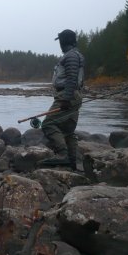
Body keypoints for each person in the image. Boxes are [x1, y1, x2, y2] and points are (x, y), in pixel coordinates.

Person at [40, 29, 85, 170]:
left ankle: (62, 155)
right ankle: (72, 163)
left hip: (67, 95)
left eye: (60, 41)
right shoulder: (74, 55)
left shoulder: (71, 56)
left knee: (48, 124)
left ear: (65, 41)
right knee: (67, 131)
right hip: (73, 95)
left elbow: (72, 78)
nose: (59, 44)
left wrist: (66, 99)